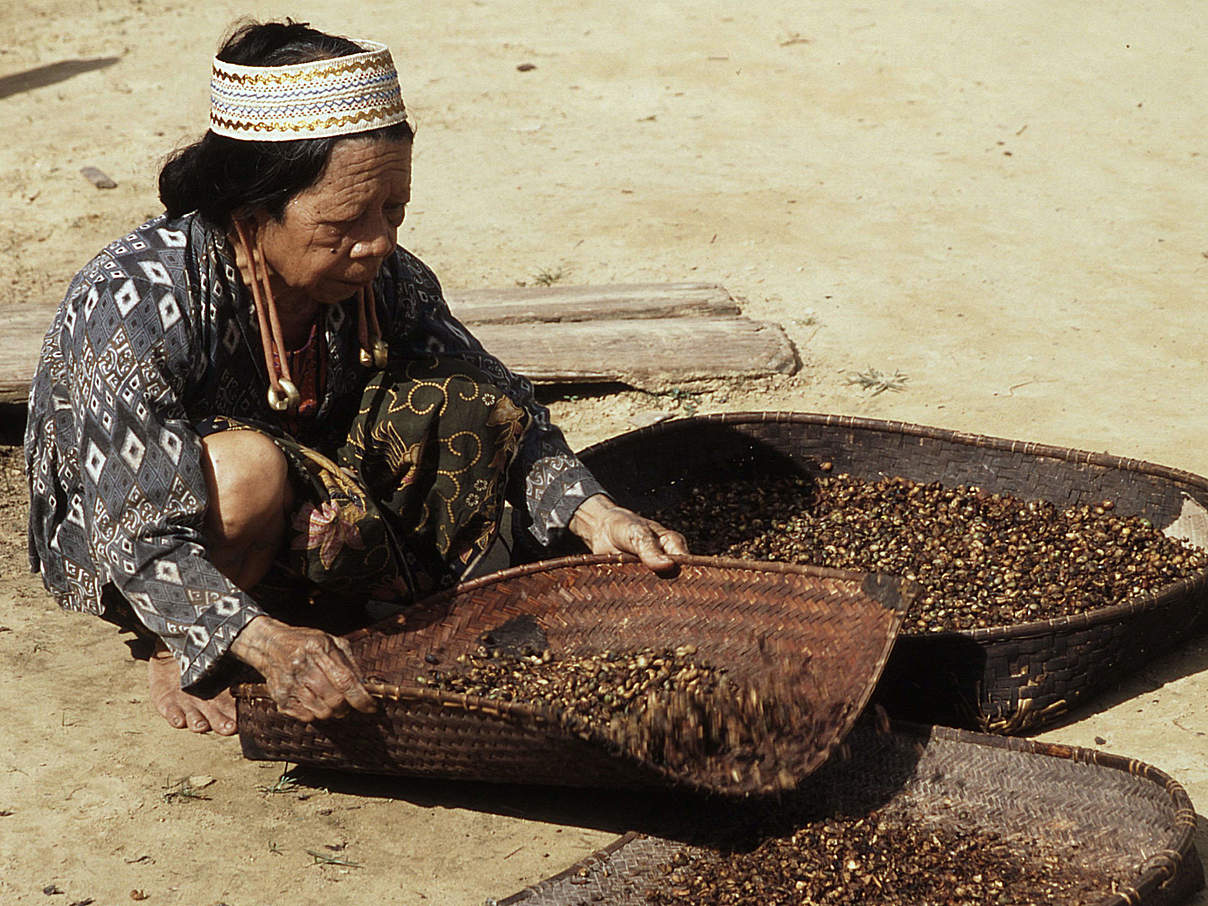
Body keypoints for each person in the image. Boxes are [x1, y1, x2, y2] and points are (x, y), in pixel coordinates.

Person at [24, 20, 687, 739]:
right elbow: (136, 530)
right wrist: (267, 646)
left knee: (466, 396)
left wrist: (596, 516)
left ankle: (329, 595)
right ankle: (182, 639)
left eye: (393, 210)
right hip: (150, 531)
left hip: (311, 494)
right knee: (245, 471)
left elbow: (509, 406)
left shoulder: (385, 278)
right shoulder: (135, 302)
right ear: (252, 217)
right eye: (343, 220)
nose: (378, 241)